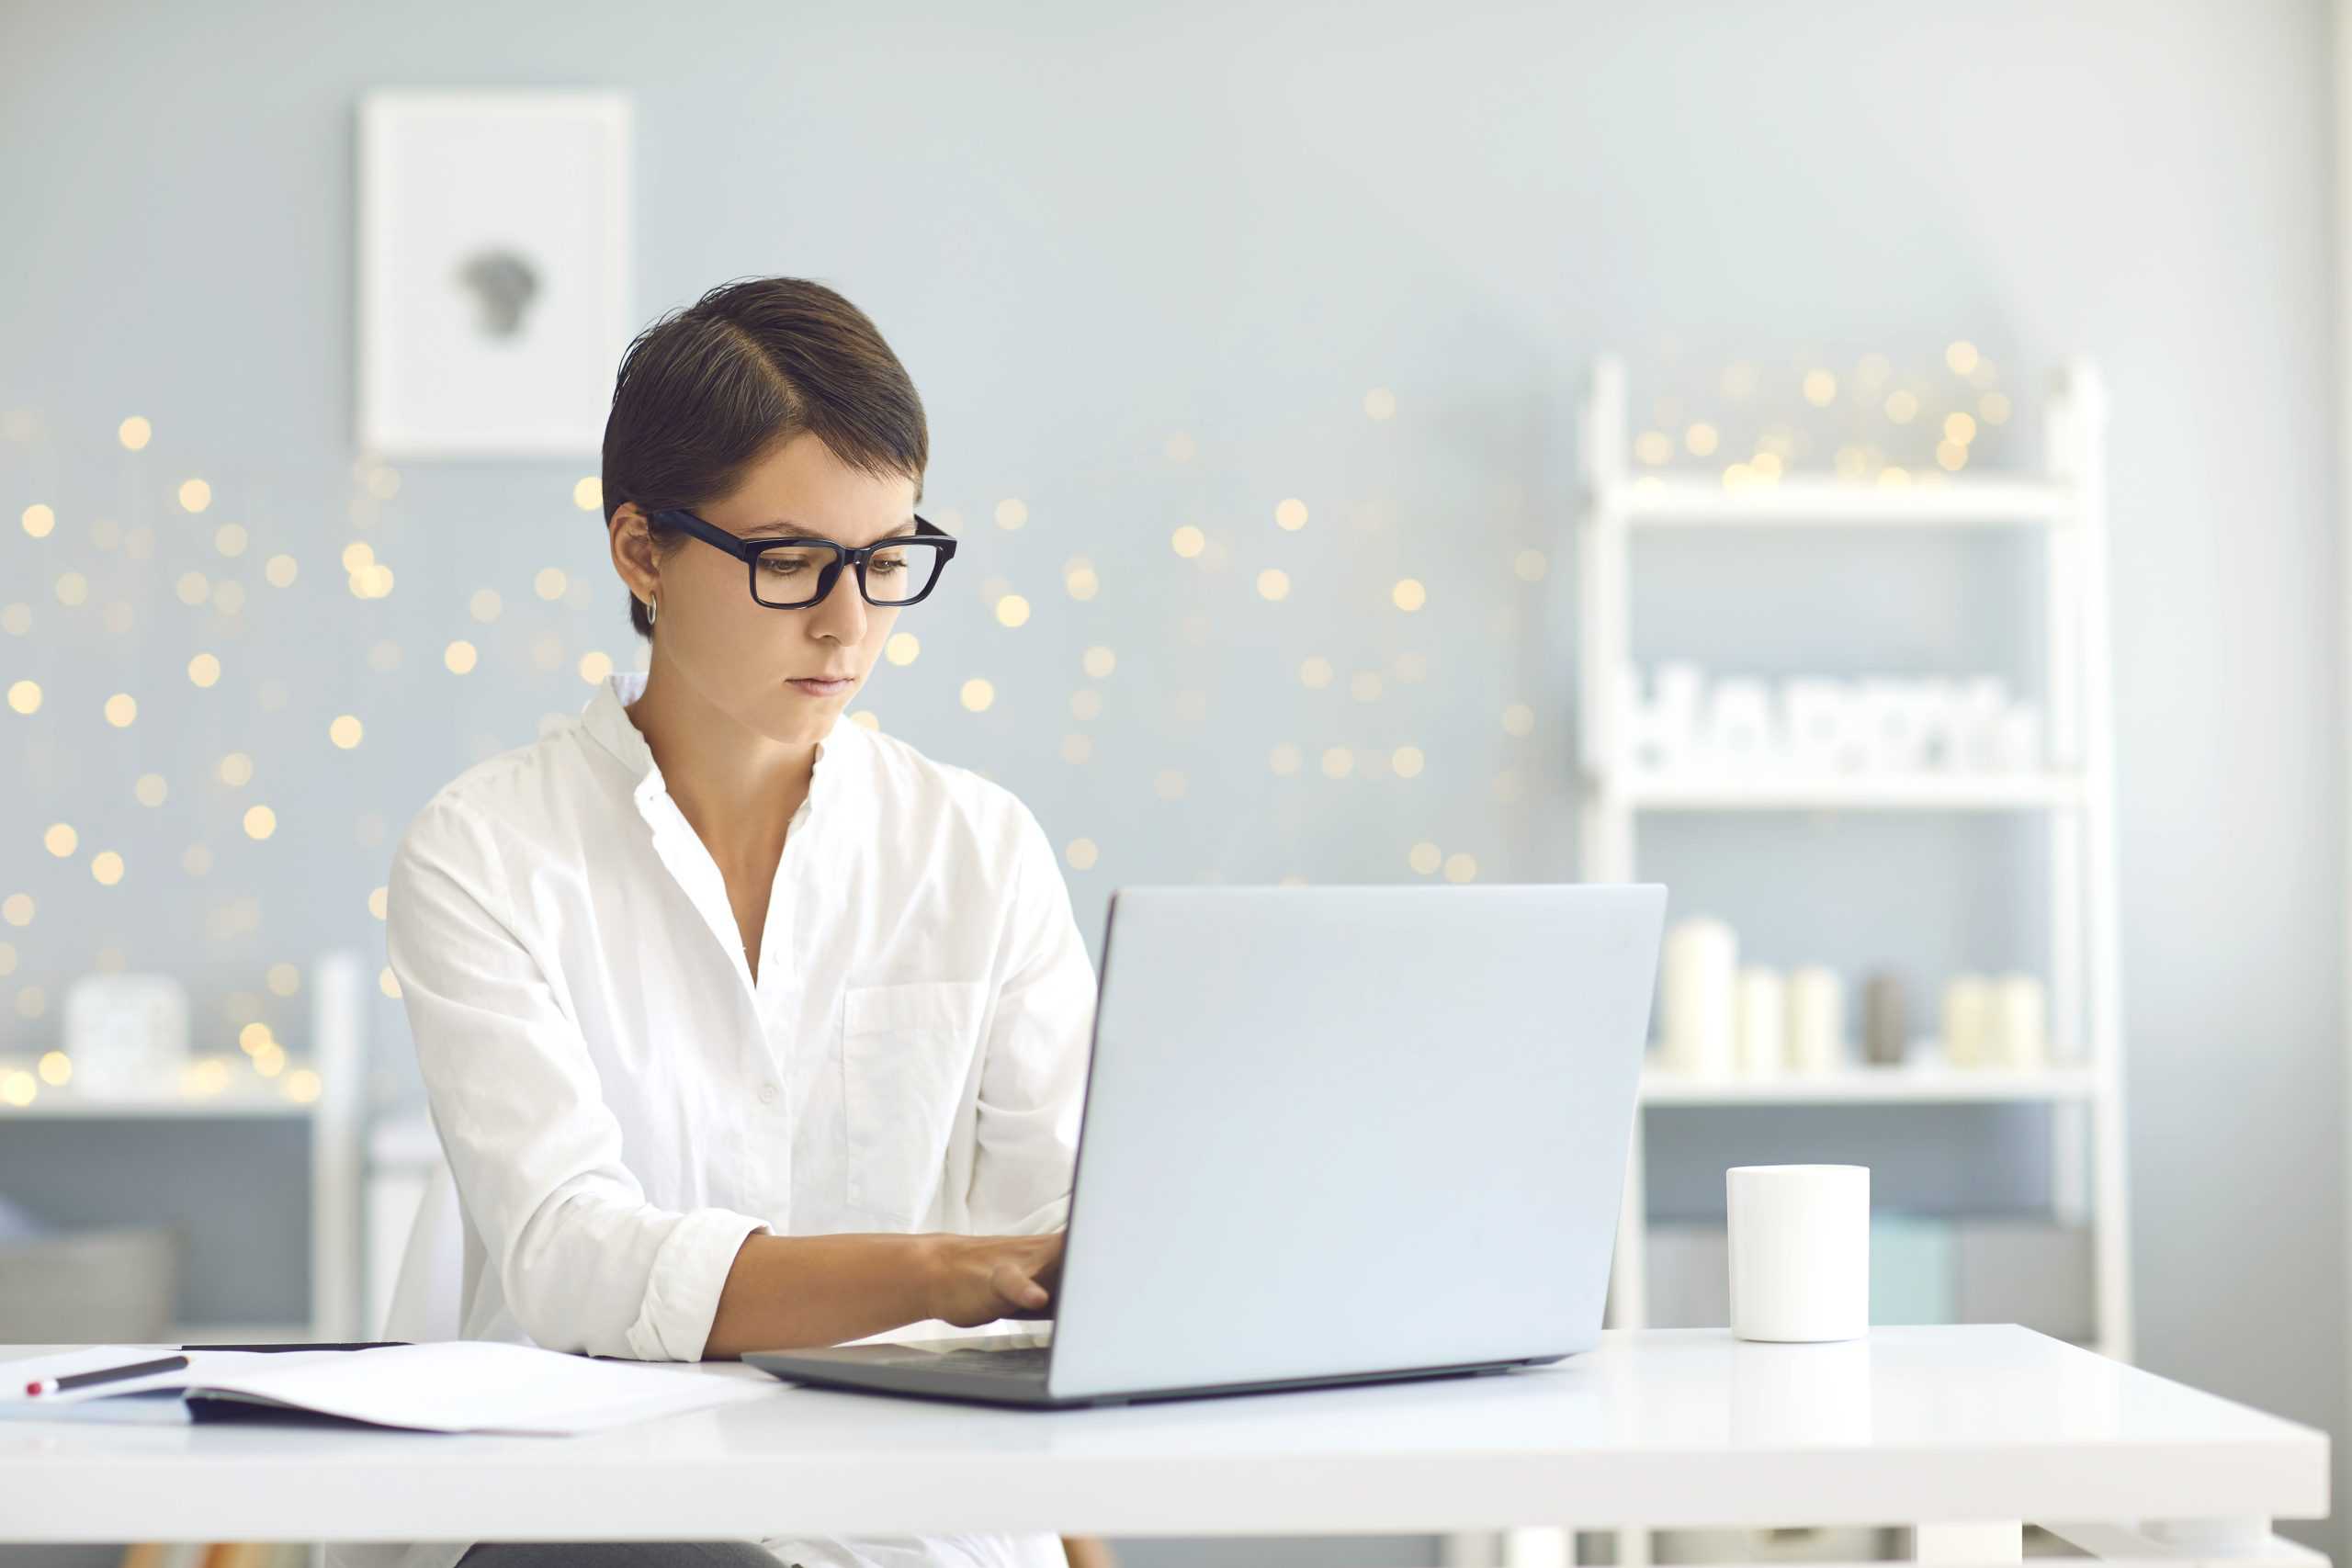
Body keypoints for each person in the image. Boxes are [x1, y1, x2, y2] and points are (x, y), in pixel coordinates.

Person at [359, 277, 1103, 1568]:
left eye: (884, 561)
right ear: (642, 551)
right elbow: (572, 1261)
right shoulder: (486, 851)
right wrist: (936, 1272)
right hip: (595, 1527)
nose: (850, 622)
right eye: (791, 562)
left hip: (915, 1531)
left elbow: (1074, 1258)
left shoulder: (979, 849)